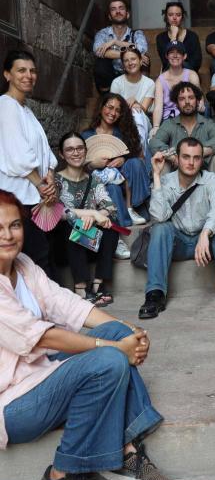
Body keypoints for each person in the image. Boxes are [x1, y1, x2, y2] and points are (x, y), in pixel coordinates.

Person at [0, 190, 174, 480]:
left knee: (117, 333)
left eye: (14, 226)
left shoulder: (23, 266)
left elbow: (66, 304)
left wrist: (129, 333)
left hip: (42, 373)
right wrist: (112, 348)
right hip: (11, 406)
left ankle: (124, 452)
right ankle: (59, 477)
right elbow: (41, 338)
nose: (8, 236)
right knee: (108, 358)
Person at [138, 138, 215, 319]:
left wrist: (206, 234)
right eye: (186, 157)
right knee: (160, 228)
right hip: (178, 243)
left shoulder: (210, 179)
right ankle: (155, 294)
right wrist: (157, 176)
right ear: (177, 158)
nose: (191, 163)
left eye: (196, 158)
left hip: (206, 244)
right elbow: (158, 216)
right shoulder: (166, 181)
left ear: (201, 160)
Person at [0, 50, 57, 275]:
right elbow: (18, 157)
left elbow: (45, 153)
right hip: (19, 198)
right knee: (37, 261)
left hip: (34, 197)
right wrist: (43, 186)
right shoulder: (6, 106)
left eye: (32, 71)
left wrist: (50, 179)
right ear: (7, 75)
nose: (28, 75)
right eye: (21, 70)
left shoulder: (26, 110)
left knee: (37, 260)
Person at [54, 132, 119, 306]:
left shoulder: (94, 180)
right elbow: (57, 212)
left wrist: (96, 218)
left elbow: (111, 208)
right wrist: (90, 214)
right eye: (70, 149)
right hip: (64, 247)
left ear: (85, 151)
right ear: (61, 154)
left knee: (111, 226)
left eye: (79, 148)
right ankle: (81, 288)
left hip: (89, 243)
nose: (76, 153)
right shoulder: (56, 180)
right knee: (72, 224)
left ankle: (98, 284)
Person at [82, 93, 151, 231]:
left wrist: (124, 159)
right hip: (101, 181)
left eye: (118, 110)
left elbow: (140, 156)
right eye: (110, 107)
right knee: (112, 188)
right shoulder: (87, 135)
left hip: (125, 179)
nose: (113, 113)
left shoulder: (124, 132)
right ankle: (123, 221)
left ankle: (134, 207)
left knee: (135, 163)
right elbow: (80, 168)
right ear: (101, 107)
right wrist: (94, 164)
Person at [149, 81, 215, 181]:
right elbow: (154, 142)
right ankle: (164, 195)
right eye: (182, 99)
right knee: (161, 159)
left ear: (198, 101)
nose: (187, 102)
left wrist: (199, 152)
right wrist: (172, 157)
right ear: (176, 103)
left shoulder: (208, 123)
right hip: (177, 175)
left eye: (191, 98)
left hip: (203, 174)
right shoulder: (169, 123)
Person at [93, 0, 149, 94]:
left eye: (121, 8)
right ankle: (107, 97)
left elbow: (142, 49)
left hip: (130, 74)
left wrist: (116, 42)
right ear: (110, 16)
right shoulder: (103, 34)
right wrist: (127, 54)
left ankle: (141, 93)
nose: (118, 11)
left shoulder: (136, 34)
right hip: (111, 76)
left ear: (127, 14)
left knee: (145, 60)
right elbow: (98, 50)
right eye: (113, 9)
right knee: (100, 63)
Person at [111, 47, 155, 155]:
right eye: (126, 60)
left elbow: (143, 110)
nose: (130, 63)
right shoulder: (117, 83)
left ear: (140, 61)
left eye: (133, 59)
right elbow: (114, 109)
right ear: (123, 65)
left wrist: (135, 101)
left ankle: (139, 151)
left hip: (143, 120)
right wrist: (127, 103)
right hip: (122, 119)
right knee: (134, 111)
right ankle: (139, 152)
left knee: (136, 112)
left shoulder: (149, 83)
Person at [151, 40, 203, 130]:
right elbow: (158, 107)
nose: (175, 56)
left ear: (184, 56)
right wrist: (156, 127)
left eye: (179, 52)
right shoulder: (160, 80)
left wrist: (200, 104)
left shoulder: (191, 75)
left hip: (189, 115)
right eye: (171, 53)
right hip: (169, 119)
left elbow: (199, 98)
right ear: (166, 56)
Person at [155, 1, 202, 73]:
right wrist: (173, 37)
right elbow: (166, 62)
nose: (174, 18)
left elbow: (196, 63)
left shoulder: (192, 36)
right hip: (169, 75)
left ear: (182, 17)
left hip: (189, 75)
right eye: (170, 15)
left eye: (178, 15)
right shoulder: (160, 38)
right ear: (166, 17)